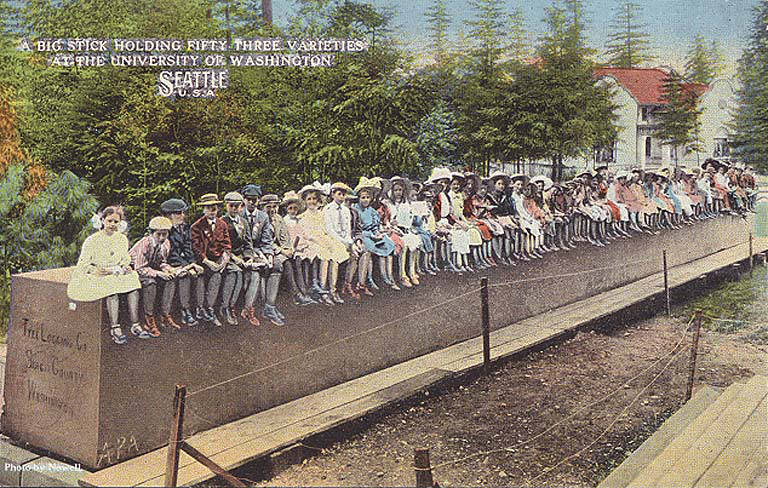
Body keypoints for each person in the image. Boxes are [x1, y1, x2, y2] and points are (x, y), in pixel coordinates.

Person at [67, 205, 151, 345]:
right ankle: (115, 327)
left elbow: (125, 258)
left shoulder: (122, 239)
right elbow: (83, 264)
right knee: (111, 289)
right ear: (102, 220)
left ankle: (135, 324)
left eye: (116, 222)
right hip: (98, 274)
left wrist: (125, 266)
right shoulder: (92, 240)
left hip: (115, 272)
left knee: (133, 283)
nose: (112, 225)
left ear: (120, 223)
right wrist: (96, 270)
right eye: (109, 221)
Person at [298, 182, 349, 305]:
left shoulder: (322, 214)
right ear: (305, 201)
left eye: (314, 198)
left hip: (324, 240)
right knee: (325, 256)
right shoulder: (303, 217)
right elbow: (308, 235)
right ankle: (323, 289)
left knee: (337, 254)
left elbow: (327, 230)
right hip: (312, 242)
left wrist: (332, 242)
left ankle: (333, 289)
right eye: (309, 199)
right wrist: (324, 243)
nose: (312, 201)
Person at [129, 216, 180, 337]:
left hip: (151, 269)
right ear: (152, 233)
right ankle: (149, 318)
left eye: (165, 234)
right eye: (159, 234)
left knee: (171, 279)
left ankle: (165, 314)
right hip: (133, 270)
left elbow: (161, 262)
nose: (162, 238)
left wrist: (168, 269)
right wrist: (159, 273)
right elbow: (140, 268)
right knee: (150, 282)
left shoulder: (166, 243)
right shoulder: (145, 243)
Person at [241, 184, 284, 326]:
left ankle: (269, 306)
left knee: (276, 264)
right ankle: (248, 308)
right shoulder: (239, 215)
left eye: (255, 199)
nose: (252, 202)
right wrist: (251, 256)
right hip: (242, 252)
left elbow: (266, 241)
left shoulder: (263, 216)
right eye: (249, 199)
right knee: (255, 270)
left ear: (259, 200)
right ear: (244, 199)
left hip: (259, 250)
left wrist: (269, 256)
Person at [161, 198, 205, 327]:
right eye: (178, 213)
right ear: (169, 215)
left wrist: (193, 263)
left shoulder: (185, 228)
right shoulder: (165, 230)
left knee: (199, 274)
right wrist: (187, 266)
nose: (182, 216)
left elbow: (188, 247)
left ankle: (199, 307)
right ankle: (185, 310)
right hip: (170, 263)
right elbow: (171, 253)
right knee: (184, 276)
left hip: (184, 261)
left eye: (182, 213)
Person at [221, 191, 262, 327]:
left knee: (255, 274)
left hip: (242, 257)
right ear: (226, 206)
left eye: (237, 206)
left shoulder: (243, 222)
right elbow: (222, 246)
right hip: (227, 257)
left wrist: (249, 257)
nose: (234, 209)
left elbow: (248, 243)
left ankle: (248, 308)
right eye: (231, 206)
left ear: (241, 207)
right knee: (236, 273)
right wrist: (235, 258)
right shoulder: (222, 222)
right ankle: (228, 307)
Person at [190, 193, 231, 327]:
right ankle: (207, 308)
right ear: (203, 210)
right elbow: (196, 248)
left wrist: (224, 260)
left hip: (219, 259)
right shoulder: (197, 226)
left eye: (213, 208)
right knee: (213, 275)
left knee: (232, 271)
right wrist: (207, 262)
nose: (211, 211)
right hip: (203, 261)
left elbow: (227, 244)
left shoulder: (222, 224)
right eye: (208, 208)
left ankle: (220, 308)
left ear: (217, 209)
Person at [354, 177, 396, 294]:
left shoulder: (372, 211)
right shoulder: (355, 210)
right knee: (369, 248)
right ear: (359, 198)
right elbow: (356, 230)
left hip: (372, 235)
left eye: (368, 197)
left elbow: (376, 226)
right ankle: (368, 279)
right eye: (363, 197)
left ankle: (387, 275)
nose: (365, 200)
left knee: (387, 244)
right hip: (362, 236)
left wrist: (378, 233)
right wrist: (371, 235)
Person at [323, 182, 359, 302]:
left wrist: (350, 243)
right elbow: (329, 230)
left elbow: (347, 230)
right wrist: (343, 242)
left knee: (354, 255)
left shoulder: (345, 210)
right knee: (338, 256)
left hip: (344, 240)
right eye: (339, 194)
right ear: (333, 194)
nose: (341, 197)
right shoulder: (327, 209)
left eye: (343, 194)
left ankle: (345, 284)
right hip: (331, 239)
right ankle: (332, 290)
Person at [280, 191, 316, 305]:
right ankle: (300, 293)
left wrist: (306, 244)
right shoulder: (284, 221)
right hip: (290, 248)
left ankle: (306, 289)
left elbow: (302, 235)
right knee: (298, 262)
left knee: (308, 258)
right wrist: (293, 249)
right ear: (286, 209)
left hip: (300, 247)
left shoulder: (298, 220)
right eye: (290, 208)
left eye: (295, 209)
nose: (293, 211)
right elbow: (285, 239)